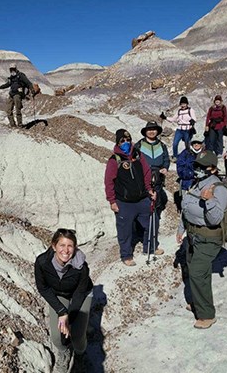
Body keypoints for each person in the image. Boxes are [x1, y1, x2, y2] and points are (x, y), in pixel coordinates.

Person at [176, 150, 227, 329]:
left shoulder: (218, 189)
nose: (197, 169)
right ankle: (199, 303)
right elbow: (187, 208)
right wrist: (181, 229)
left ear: (213, 169)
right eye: (196, 165)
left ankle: (207, 315)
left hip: (208, 238)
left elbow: (215, 219)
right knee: (197, 270)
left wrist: (208, 201)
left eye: (202, 167)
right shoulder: (197, 184)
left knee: (198, 272)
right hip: (193, 235)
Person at [34, 229, 93, 373]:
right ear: (54, 246)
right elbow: (43, 288)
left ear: (75, 247)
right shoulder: (42, 262)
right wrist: (62, 311)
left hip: (82, 295)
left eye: (70, 246)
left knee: (78, 337)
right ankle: (64, 353)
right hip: (59, 294)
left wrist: (70, 319)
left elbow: (80, 292)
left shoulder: (81, 267)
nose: (66, 250)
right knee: (57, 336)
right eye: (62, 245)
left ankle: (79, 354)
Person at [104, 129, 158, 266]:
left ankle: (150, 248)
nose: (126, 143)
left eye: (128, 140)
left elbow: (146, 172)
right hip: (124, 202)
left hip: (142, 199)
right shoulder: (114, 160)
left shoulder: (138, 155)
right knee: (125, 231)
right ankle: (126, 255)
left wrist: (149, 189)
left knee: (150, 224)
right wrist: (112, 201)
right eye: (122, 141)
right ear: (118, 142)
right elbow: (109, 181)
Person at [134, 121, 169, 254]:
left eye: (154, 129)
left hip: (158, 179)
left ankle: (150, 243)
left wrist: (165, 167)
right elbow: (134, 160)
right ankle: (142, 234)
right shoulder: (139, 145)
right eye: (149, 130)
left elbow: (166, 159)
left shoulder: (162, 145)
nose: (152, 132)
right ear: (145, 131)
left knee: (154, 209)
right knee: (144, 208)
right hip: (143, 180)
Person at [0, 63, 35, 127]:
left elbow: (28, 83)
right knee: (8, 110)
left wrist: (32, 90)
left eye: (13, 69)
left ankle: (20, 124)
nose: (12, 70)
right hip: (11, 94)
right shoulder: (11, 78)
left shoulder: (21, 76)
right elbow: (7, 85)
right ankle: (12, 125)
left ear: (16, 69)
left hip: (18, 94)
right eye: (11, 69)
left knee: (18, 109)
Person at [160, 96, 197, 161]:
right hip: (179, 129)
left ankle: (188, 157)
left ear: (187, 104)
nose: (183, 105)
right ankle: (175, 156)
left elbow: (194, 118)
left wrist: (192, 121)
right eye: (182, 104)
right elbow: (173, 119)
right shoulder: (179, 111)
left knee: (187, 144)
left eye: (184, 104)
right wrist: (165, 117)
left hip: (187, 129)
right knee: (175, 143)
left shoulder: (190, 110)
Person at [174, 135, 205, 212]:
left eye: (198, 142)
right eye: (194, 143)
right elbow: (180, 169)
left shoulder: (206, 154)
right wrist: (192, 174)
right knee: (187, 205)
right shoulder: (185, 153)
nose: (196, 144)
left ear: (202, 144)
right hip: (187, 182)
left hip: (202, 183)